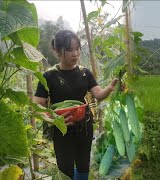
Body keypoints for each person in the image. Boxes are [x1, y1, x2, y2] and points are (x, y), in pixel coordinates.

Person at [33, 30, 118, 180]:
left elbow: (98, 94)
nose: (76, 54)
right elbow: (37, 105)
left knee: (83, 165)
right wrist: (52, 119)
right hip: (62, 129)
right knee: (65, 168)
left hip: (84, 127)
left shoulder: (85, 73)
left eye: (78, 49)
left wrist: (109, 89)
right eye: (70, 50)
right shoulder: (49, 76)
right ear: (57, 51)